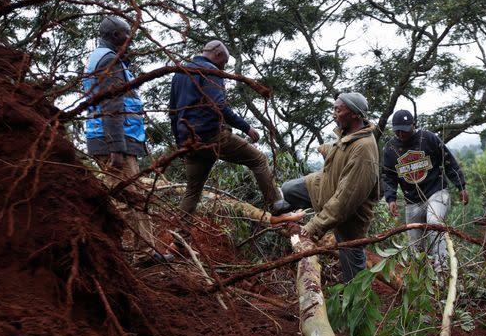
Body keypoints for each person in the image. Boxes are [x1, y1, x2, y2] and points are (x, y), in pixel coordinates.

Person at [169, 40, 288, 239]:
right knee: (258, 160)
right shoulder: (211, 71)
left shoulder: (180, 73)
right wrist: (247, 127)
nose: (223, 67)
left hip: (189, 142)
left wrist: (181, 144)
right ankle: (277, 204)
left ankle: (181, 237)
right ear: (217, 54)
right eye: (224, 62)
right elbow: (219, 106)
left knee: (192, 191)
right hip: (213, 137)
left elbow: (173, 112)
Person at [83, 16, 172, 263]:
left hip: (109, 138)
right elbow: (112, 104)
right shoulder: (109, 60)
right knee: (131, 198)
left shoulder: (102, 58)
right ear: (115, 36)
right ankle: (141, 254)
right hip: (113, 141)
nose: (130, 39)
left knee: (124, 196)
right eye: (126, 34)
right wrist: (117, 148)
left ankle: (131, 253)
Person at [279, 92, 380, 283]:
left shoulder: (364, 149)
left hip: (349, 216)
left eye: (338, 109)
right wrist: (322, 148)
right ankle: (285, 216)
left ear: (355, 115)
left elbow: (345, 200)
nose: (333, 114)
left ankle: (358, 309)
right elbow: (339, 149)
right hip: (325, 187)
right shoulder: (348, 134)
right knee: (289, 189)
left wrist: (313, 226)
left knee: (353, 270)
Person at [382, 109, 468, 272]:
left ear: (413, 125)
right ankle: (421, 279)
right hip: (412, 201)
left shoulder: (428, 138)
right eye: (397, 130)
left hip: (436, 192)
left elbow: (449, 161)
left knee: (435, 224)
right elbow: (388, 177)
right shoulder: (390, 149)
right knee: (415, 245)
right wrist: (391, 198)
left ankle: (442, 270)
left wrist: (461, 185)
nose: (401, 134)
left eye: (405, 130)